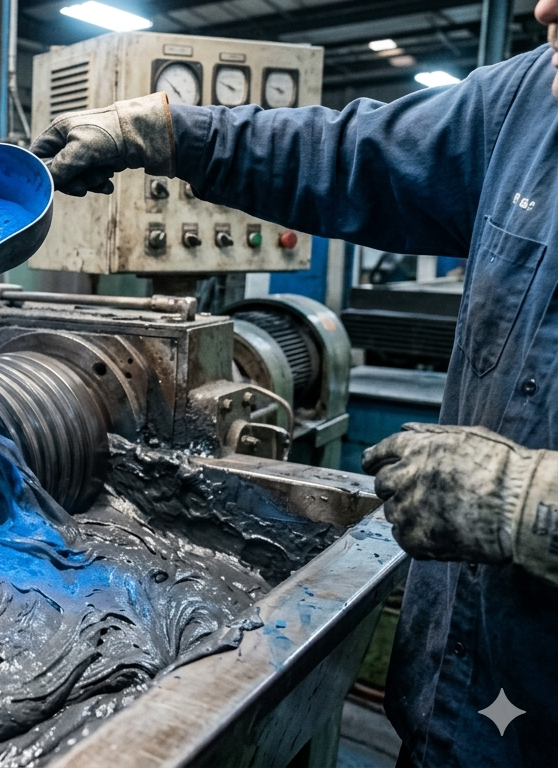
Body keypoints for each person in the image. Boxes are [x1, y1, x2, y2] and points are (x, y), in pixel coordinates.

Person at [29, 4, 558, 766]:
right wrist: (166, 132)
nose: (543, 6)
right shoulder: (529, 107)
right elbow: (352, 154)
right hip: (460, 707)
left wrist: (535, 505)